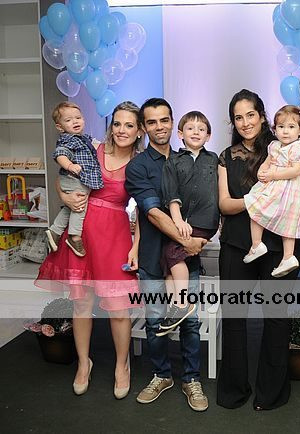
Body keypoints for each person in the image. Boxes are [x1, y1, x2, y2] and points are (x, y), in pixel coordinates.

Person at [36, 101, 142, 400]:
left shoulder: (140, 162)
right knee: (81, 305)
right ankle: (84, 363)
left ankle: (122, 366)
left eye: (129, 125)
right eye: (117, 123)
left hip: (115, 237)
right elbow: (62, 177)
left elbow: (146, 210)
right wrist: (64, 197)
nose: (121, 130)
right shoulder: (92, 148)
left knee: (119, 309)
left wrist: (136, 245)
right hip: (80, 234)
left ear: (139, 131)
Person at [216, 89, 300, 411]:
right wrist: (257, 201)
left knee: (276, 318)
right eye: (238, 117)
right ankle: (234, 390)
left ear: (263, 116)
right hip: (237, 245)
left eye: (250, 115)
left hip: (281, 246)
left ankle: (272, 392)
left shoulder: (284, 145)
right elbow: (225, 204)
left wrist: (259, 202)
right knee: (234, 317)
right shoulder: (226, 157)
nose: (245, 123)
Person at [124, 98, 209, 412]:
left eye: (164, 120)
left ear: (173, 122)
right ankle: (161, 375)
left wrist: (203, 237)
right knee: (155, 319)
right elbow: (153, 213)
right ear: (143, 128)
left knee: (190, 320)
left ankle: (191, 379)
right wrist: (189, 241)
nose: (159, 127)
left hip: (186, 257)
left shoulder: (190, 158)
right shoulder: (138, 167)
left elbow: (204, 202)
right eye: (152, 122)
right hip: (152, 255)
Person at [158, 111, 219, 335]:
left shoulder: (213, 159)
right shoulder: (173, 161)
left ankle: (182, 304)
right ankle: (175, 306)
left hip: (204, 220)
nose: (196, 132)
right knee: (167, 259)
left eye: (201, 129)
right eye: (190, 128)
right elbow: (171, 194)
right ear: (180, 134)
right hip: (182, 221)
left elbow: (220, 191)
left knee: (173, 253)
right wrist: (177, 221)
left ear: (208, 136)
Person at [243, 104, 300, 277]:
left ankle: (288, 256)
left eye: (291, 127)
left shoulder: (298, 148)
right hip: (274, 186)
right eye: (281, 127)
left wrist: (273, 174)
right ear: (275, 130)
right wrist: (262, 171)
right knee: (256, 207)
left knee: (288, 223)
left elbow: (295, 170)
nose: (285, 131)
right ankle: (257, 244)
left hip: (291, 189)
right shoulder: (274, 146)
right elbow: (267, 162)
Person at [46, 102, 103, 257]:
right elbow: (60, 154)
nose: (75, 122)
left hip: (76, 179)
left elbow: (96, 146)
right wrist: (70, 165)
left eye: (78, 118)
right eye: (68, 120)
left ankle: (55, 231)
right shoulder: (68, 139)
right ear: (60, 127)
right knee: (79, 205)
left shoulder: (83, 138)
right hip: (73, 178)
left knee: (70, 207)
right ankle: (74, 236)